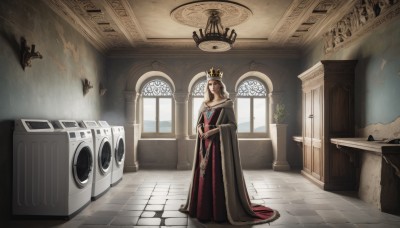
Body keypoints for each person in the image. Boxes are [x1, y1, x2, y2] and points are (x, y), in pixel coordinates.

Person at [179, 67, 280, 225]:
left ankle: (219, 211)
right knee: (203, 174)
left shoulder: (227, 104)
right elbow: (199, 122)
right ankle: (202, 209)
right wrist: (199, 129)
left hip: (218, 146)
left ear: (220, 85)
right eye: (210, 84)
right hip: (203, 145)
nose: (212, 87)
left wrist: (213, 132)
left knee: (217, 175)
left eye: (215, 84)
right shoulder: (205, 104)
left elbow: (232, 125)